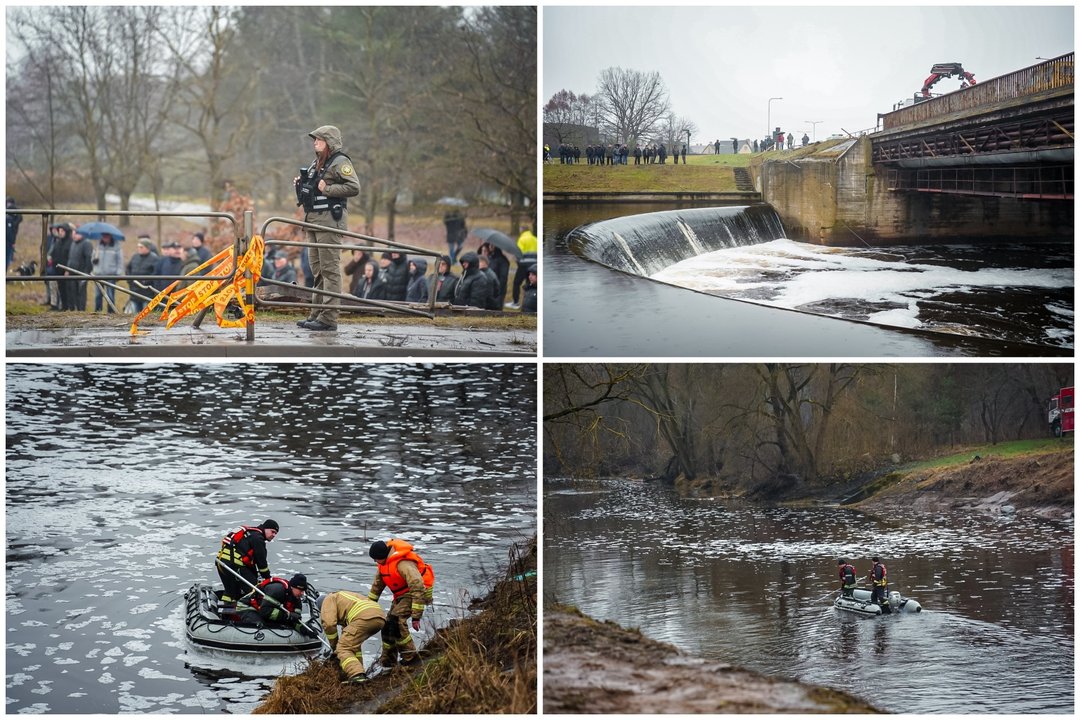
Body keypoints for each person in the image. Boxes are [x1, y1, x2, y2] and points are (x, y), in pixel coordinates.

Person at [294, 125, 361, 332]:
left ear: (329, 142)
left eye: (319, 140)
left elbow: (354, 187)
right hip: (312, 221)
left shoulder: (341, 162)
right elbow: (313, 191)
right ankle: (316, 313)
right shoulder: (317, 163)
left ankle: (329, 318)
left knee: (330, 270)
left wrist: (328, 189)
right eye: (314, 140)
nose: (315, 143)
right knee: (317, 270)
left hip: (329, 221)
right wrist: (301, 185)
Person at [367, 539, 434, 667]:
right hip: (401, 596)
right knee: (387, 624)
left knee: (397, 621)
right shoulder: (383, 564)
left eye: (375, 559)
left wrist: (416, 617)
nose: (375, 562)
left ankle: (410, 656)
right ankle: (388, 660)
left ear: (382, 556)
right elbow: (377, 587)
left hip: (417, 594)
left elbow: (417, 587)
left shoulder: (403, 564)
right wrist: (368, 606)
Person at [320, 589, 386, 684]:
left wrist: (335, 647)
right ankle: (360, 672)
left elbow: (329, 625)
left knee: (343, 648)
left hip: (364, 617)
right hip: (379, 616)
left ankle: (357, 675)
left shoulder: (327, 600)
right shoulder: (343, 600)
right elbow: (346, 632)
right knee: (353, 646)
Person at [216, 519, 279, 608]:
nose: (274, 535)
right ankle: (251, 614)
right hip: (234, 565)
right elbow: (262, 564)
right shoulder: (258, 539)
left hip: (221, 563)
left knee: (231, 592)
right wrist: (268, 579)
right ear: (265, 528)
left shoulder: (251, 534)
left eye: (275, 533)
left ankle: (226, 613)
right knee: (254, 591)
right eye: (272, 532)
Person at [239, 573, 314, 635]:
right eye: (300, 590)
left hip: (264, 609)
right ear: (292, 587)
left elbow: (296, 620)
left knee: (281, 625)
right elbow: (265, 611)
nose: (302, 593)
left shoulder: (296, 600)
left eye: (303, 591)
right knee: (262, 628)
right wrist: (288, 616)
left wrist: (305, 629)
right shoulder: (277, 590)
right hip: (249, 607)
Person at [125, 237, 160, 312]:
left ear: (147, 248)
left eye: (141, 247)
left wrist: (146, 281)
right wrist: (129, 280)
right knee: (134, 315)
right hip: (134, 291)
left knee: (145, 315)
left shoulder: (154, 258)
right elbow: (128, 268)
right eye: (138, 247)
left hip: (147, 292)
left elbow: (155, 273)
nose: (139, 249)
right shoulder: (135, 257)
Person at [92, 233, 123, 313]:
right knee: (98, 295)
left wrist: (119, 273)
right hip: (98, 274)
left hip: (111, 275)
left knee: (110, 295)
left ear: (110, 236)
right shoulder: (98, 246)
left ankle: (111, 312)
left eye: (106, 236)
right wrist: (94, 260)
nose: (105, 238)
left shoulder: (116, 246)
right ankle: (97, 311)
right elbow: (92, 259)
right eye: (103, 236)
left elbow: (120, 261)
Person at [66, 230, 95, 311]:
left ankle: (81, 310)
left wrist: (86, 273)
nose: (75, 235)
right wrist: (67, 269)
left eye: (77, 233)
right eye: (74, 233)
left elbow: (89, 259)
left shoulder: (86, 243)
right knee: (73, 292)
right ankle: (74, 309)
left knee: (81, 293)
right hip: (72, 272)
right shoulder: (73, 243)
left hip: (82, 273)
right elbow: (70, 258)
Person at [6, 197, 22, 270]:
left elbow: (20, 218)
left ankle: (11, 257)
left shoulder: (15, 210)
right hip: (9, 234)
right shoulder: (8, 215)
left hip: (13, 230)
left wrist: (14, 224)